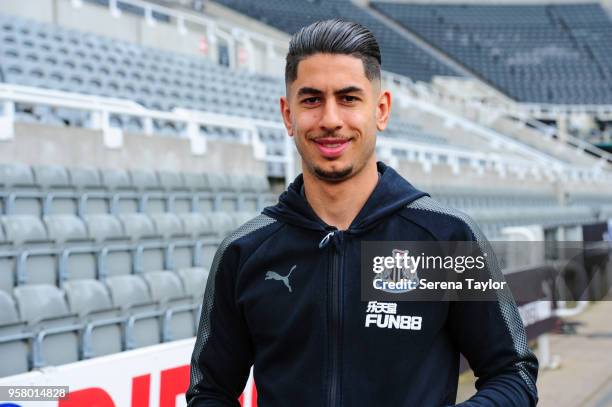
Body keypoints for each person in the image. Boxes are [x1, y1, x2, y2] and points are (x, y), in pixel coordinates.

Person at [186, 19, 538, 407]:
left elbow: (513, 374)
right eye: (311, 100)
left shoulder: (445, 239)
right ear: (288, 115)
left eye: (349, 98)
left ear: (381, 110)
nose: (331, 119)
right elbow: (210, 391)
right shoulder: (245, 252)